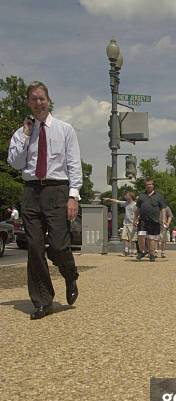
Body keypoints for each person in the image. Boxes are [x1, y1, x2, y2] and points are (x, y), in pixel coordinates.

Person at [7, 81, 82, 319]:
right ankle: (42, 300)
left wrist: (73, 196)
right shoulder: (22, 134)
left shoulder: (65, 129)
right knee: (35, 248)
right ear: (28, 102)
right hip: (31, 191)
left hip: (57, 190)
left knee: (59, 246)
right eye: (33, 99)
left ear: (48, 100)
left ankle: (70, 274)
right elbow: (16, 163)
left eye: (42, 98)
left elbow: (74, 165)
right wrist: (26, 137)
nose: (38, 103)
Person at [134, 178, 166, 262]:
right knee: (140, 235)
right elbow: (137, 209)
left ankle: (151, 254)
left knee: (151, 238)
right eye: (147, 185)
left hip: (154, 220)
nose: (149, 186)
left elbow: (163, 209)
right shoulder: (141, 196)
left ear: (153, 185)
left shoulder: (159, 196)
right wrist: (135, 218)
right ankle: (142, 251)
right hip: (143, 220)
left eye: (150, 184)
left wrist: (163, 219)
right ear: (145, 186)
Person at [103, 191, 137, 256]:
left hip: (132, 224)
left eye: (126, 195)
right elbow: (117, 201)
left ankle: (133, 251)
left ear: (130, 196)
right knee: (124, 237)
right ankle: (126, 251)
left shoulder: (135, 204)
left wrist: (136, 221)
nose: (125, 196)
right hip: (125, 223)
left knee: (132, 239)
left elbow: (138, 214)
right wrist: (109, 199)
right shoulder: (125, 203)